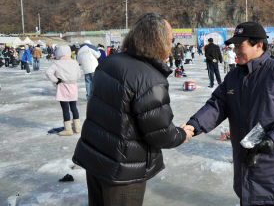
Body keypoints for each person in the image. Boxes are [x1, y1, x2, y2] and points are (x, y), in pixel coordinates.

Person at [72, 13, 193, 206]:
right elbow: (161, 133)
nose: (172, 44)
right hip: (122, 169)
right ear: (158, 40)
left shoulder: (109, 63)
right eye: (171, 39)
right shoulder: (149, 79)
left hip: (96, 158)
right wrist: (181, 134)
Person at [183, 21, 274, 206]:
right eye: (234, 46)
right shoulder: (234, 76)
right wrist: (194, 125)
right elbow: (217, 104)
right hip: (244, 165)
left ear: (258, 45)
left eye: (240, 46)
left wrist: (272, 140)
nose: (235, 51)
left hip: (272, 167)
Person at [45, 45, 82, 136]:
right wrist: (73, 80)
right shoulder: (74, 62)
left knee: (65, 109)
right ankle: (77, 128)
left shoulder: (57, 63)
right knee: (74, 107)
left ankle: (68, 129)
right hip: (73, 87)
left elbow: (48, 72)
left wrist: (56, 80)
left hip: (63, 87)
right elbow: (79, 75)